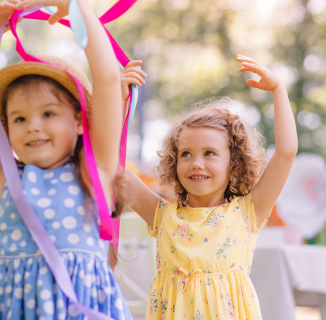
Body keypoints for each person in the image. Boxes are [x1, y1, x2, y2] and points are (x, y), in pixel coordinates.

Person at [0, 0, 132, 320]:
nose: (33, 126)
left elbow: (106, 80)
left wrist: (79, 9)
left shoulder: (96, 169)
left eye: (48, 114)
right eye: (19, 118)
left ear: (79, 120)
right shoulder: (5, 177)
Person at [120, 55, 298, 319]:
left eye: (210, 154)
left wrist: (279, 90)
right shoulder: (162, 215)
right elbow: (110, 160)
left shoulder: (248, 211)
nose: (196, 164)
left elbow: (286, 152)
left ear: (234, 163)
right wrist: (116, 101)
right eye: (186, 154)